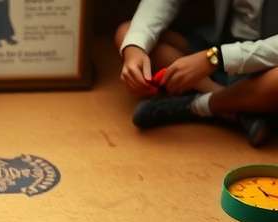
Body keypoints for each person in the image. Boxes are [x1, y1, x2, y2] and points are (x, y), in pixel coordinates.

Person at [115, 0, 278, 146]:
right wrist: (136, 49)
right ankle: (233, 105)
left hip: (267, 62)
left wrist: (216, 58)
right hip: (220, 45)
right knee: (128, 33)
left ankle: (196, 105)